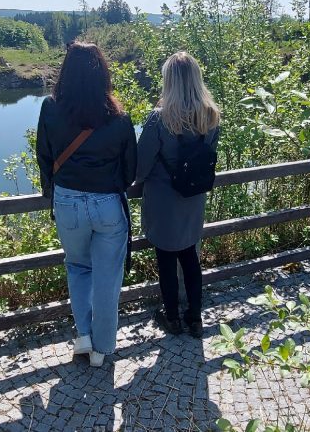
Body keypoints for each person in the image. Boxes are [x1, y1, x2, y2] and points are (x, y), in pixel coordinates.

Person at [36, 42, 137, 367]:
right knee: (108, 279)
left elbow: (44, 156)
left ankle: (83, 336)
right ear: (102, 74)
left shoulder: (50, 108)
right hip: (108, 204)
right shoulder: (120, 119)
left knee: (78, 267)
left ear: (66, 72)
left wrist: (54, 191)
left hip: (67, 203)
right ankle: (101, 350)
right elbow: (129, 173)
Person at [135, 51, 220, 338]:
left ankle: (172, 318)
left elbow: (140, 167)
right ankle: (195, 318)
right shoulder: (211, 116)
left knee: (166, 261)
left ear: (168, 80)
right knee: (190, 259)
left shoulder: (160, 118)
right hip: (194, 199)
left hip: (163, 202)